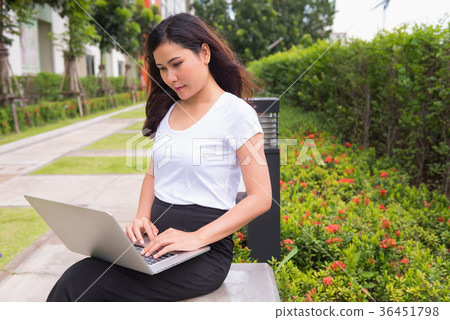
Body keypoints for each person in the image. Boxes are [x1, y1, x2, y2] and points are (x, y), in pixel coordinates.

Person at [46, 12, 272, 302]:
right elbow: (154, 174)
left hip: (204, 252)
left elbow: (261, 197)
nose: (170, 77)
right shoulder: (169, 110)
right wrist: (142, 217)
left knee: (81, 284)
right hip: (156, 243)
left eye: (177, 64)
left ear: (204, 53)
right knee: (77, 276)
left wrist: (197, 237)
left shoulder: (237, 114)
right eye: (162, 68)